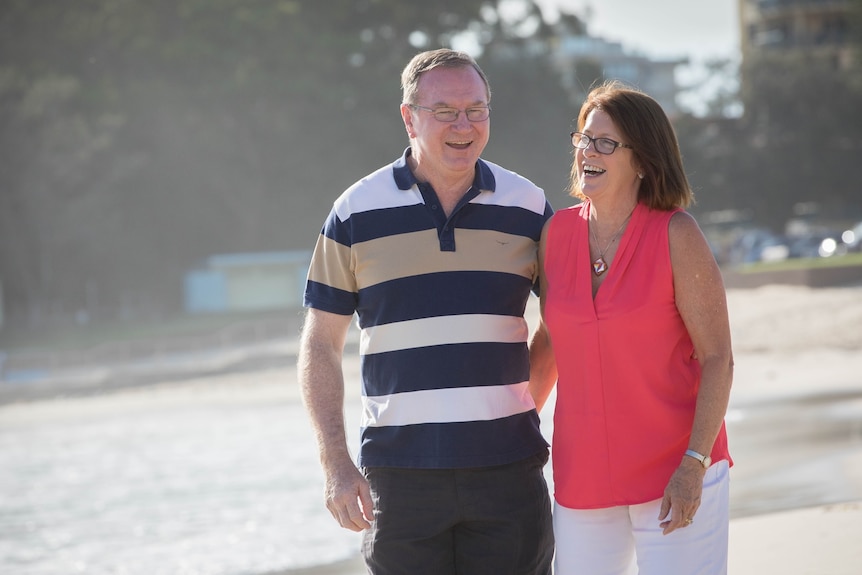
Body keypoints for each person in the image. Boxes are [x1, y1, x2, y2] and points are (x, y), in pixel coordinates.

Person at [297, 48, 555, 575]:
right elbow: (320, 344)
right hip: (400, 478)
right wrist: (335, 464)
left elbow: (563, 320)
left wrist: (523, 404)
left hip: (508, 473)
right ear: (408, 115)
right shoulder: (354, 211)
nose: (464, 125)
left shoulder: (528, 206)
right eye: (445, 111)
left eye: (476, 109)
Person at [530, 81, 734, 575]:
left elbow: (717, 359)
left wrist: (694, 464)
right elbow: (554, 340)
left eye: (605, 142)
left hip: (675, 468)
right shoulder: (556, 235)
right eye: (583, 138)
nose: (588, 152)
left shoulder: (676, 235)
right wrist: (510, 427)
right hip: (583, 477)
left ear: (642, 159)